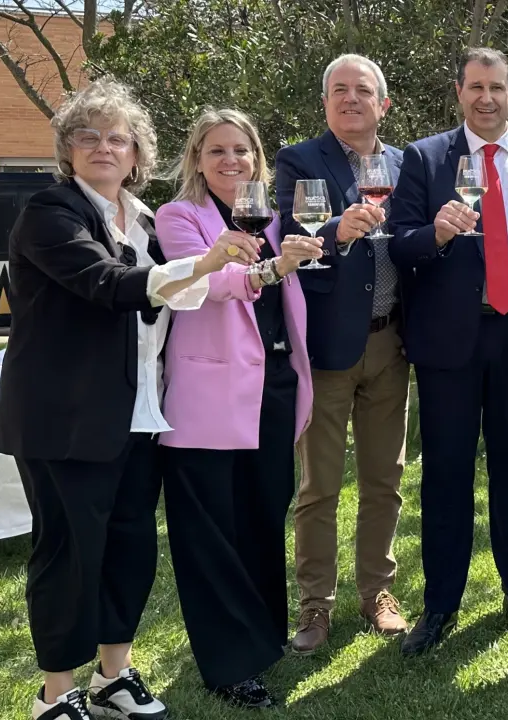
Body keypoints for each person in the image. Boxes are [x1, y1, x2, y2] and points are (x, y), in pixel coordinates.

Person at [0, 78, 257, 720]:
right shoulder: (51, 213)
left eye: (118, 138)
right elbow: (108, 284)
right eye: (88, 136)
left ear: (138, 153)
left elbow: (181, 297)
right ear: (67, 149)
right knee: (71, 553)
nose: (103, 147)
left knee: (131, 548)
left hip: (139, 412)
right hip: (66, 420)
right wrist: (204, 264)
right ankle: (56, 694)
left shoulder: (141, 219)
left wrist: (255, 270)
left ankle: (114, 676)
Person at [387, 46, 508, 655]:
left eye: (497, 87)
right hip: (449, 339)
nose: (486, 98)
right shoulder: (426, 157)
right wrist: (436, 233)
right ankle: (440, 604)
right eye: (475, 87)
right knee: (446, 471)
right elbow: (400, 243)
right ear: (460, 92)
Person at [155, 108, 321, 708]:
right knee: (211, 532)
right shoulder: (179, 218)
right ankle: (228, 664)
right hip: (208, 394)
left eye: (242, 150)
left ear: (257, 160)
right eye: (217, 150)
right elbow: (204, 285)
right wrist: (274, 268)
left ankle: (263, 639)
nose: (231, 161)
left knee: (261, 517)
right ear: (197, 160)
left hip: (273, 387)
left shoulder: (270, 220)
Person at [275, 54, 411, 650]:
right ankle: (315, 606)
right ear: (325, 102)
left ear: (383, 104)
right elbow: (287, 233)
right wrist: (335, 230)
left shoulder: (405, 164)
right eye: (338, 90)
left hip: (390, 343)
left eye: (362, 90)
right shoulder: (299, 160)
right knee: (320, 486)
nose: (350, 98)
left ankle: (377, 591)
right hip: (327, 346)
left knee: (385, 479)